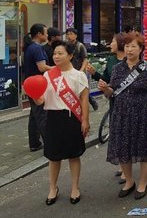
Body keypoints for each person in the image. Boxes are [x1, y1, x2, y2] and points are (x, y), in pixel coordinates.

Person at [98, 33, 147, 200]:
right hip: (121, 114)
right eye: (127, 46)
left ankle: (142, 183)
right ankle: (129, 181)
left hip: (144, 113)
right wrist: (105, 88)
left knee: (145, 148)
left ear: (141, 49)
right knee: (123, 148)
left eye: (133, 46)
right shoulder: (117, 69)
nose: (129, 49)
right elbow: (111, 92)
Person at [34, 40, 89, 205]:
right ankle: (53, 188)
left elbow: (84, 99)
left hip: (72, 119)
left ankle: (75, 188)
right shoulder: (47, 75)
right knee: (53, 157)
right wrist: (37, 98)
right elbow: (41, 100)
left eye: (60, 53)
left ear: (70, 56)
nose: (56, 56)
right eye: (55, 53)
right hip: (52, 118)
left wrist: (85, 120)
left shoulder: (79, 76)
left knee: (73, 155)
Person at [87, 33, 126, 183]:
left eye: (113, 41)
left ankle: (125, 169)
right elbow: (106, 79)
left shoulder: (130, 62)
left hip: (129, 103)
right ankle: (123, 166)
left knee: (125, 134)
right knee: (117, 134)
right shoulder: (110, 60)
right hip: (114, 101)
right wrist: (94, 74)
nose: (110, 44)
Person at [23, 23, 51, 152]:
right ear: (39, 34)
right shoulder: (37, 48)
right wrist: (57, 68)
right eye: (45, 33)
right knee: (42, 115)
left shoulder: (29, 47)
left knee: (34, 115)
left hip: (30, 84)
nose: (47, 35)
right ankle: (50, 144)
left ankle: (34, 143)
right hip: (38, 85)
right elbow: (42, 67)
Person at [66, 28, 98, 111]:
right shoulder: (66, 46)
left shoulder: (80, 46)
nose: (69, 36)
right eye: (68, 34)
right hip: (70, 71)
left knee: (82, 89)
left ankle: (91, 102)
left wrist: (81, 70)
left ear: (76, 36)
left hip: (80, 71)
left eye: (71, 34)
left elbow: (85, 59)